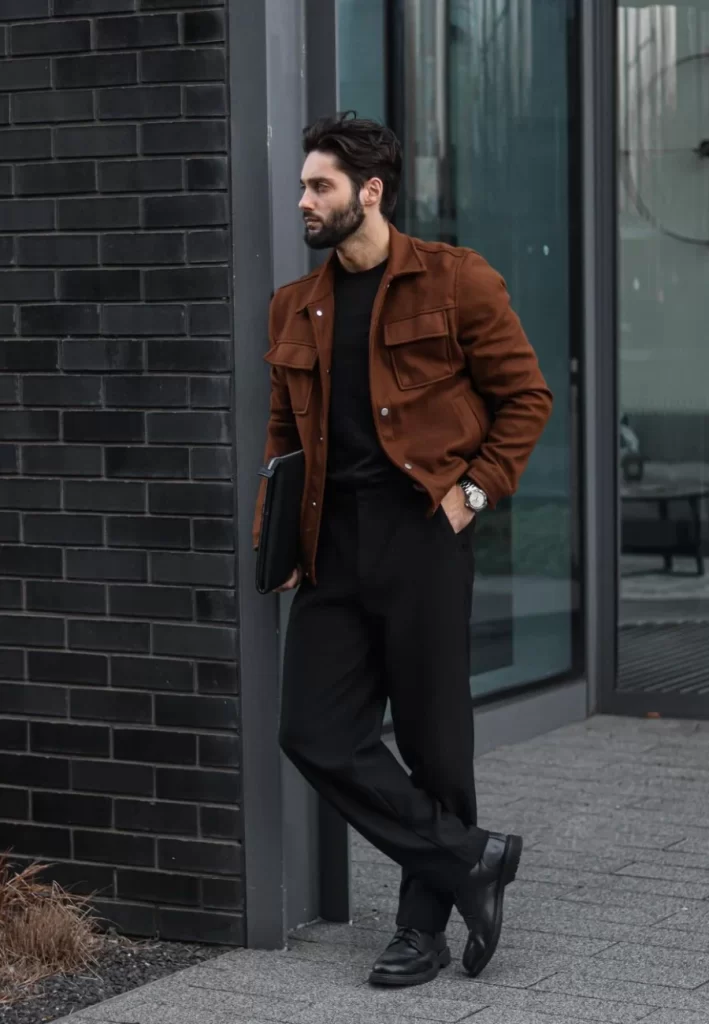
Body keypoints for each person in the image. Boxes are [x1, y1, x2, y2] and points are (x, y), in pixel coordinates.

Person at [253, 112, 553, 987]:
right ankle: (469, 860)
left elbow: (525, 398)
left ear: (369, 192)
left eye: (320, 187)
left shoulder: (455, 281)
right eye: (303, 186)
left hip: (423, 532)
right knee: (311, 729)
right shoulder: (295, 307)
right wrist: (278, 537)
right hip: (329, 544)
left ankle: (421, 927)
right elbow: (283, 433)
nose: (303, 201)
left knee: (434, 738)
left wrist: (472, 492)